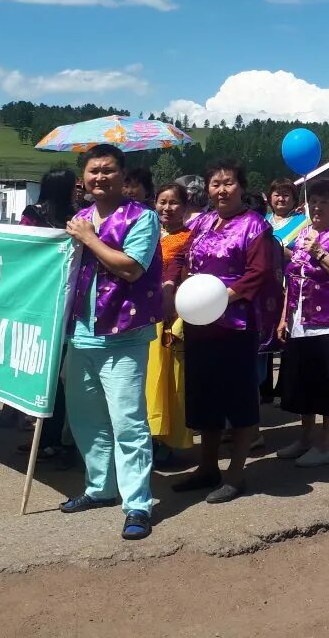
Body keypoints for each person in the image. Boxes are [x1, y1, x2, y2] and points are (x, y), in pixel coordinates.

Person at [58, 144, 161, 541]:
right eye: (92, 171)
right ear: (82, 178)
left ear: (123, 176)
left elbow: (132, 269)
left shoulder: (142, 218)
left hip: (123, 336)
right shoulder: (79, 219)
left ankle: (137, 502)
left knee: (128, 423)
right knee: (86, 420)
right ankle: (100, 487)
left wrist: (89, 239)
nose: (99, 177)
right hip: (80, 333)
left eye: (108, 170)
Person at [166, 159, 276, 502]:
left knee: (239, 400)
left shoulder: (254, 226)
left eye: (228, 183)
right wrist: (176, 281)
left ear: (241, 187)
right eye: (215, 183)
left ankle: (237, 474)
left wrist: (221, 298)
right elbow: (183, 256)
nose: (222, 189)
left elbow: (260, 272)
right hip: (200, 325)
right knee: (204, 399)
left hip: (236, 325)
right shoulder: (201, 223)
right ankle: (207, 467)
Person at [275, 179, 329, 466]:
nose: (317, 207)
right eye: (314, 201)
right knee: (303, 383)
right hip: (299, 320)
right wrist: (284, 317)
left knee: (327, 385)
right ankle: (306, 438)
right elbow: (293, 279)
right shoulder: (303, 234)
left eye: (325, 202)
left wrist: (320, 253)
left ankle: (326, 445)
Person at [18, 168, 78, 466]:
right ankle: (50, 437)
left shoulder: (33, 214)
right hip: (66, 301)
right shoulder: (79, 217)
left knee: (41, 370)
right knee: (57, 376)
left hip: (37, 300)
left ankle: (45, 437)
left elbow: (22, 250)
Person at [148, 183, 192, 462]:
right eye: (162, 201)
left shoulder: (191, 239)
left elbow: (190, 282)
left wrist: (180, 324)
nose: (167, 208)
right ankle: (144, 439)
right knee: (144, 382)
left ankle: (165, 442)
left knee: (169, 383)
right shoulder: (145, 234)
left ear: (185, 208)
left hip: (171, 318)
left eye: (174, 202)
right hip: (141, 316)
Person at [266, 179, 309, 256]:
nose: (281, 199)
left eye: (286, 195)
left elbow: (309, 254)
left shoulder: (304, 222)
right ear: (270, 198)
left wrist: (290, 254)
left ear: (294, 200)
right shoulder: (261, 220)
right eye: (277, 195)